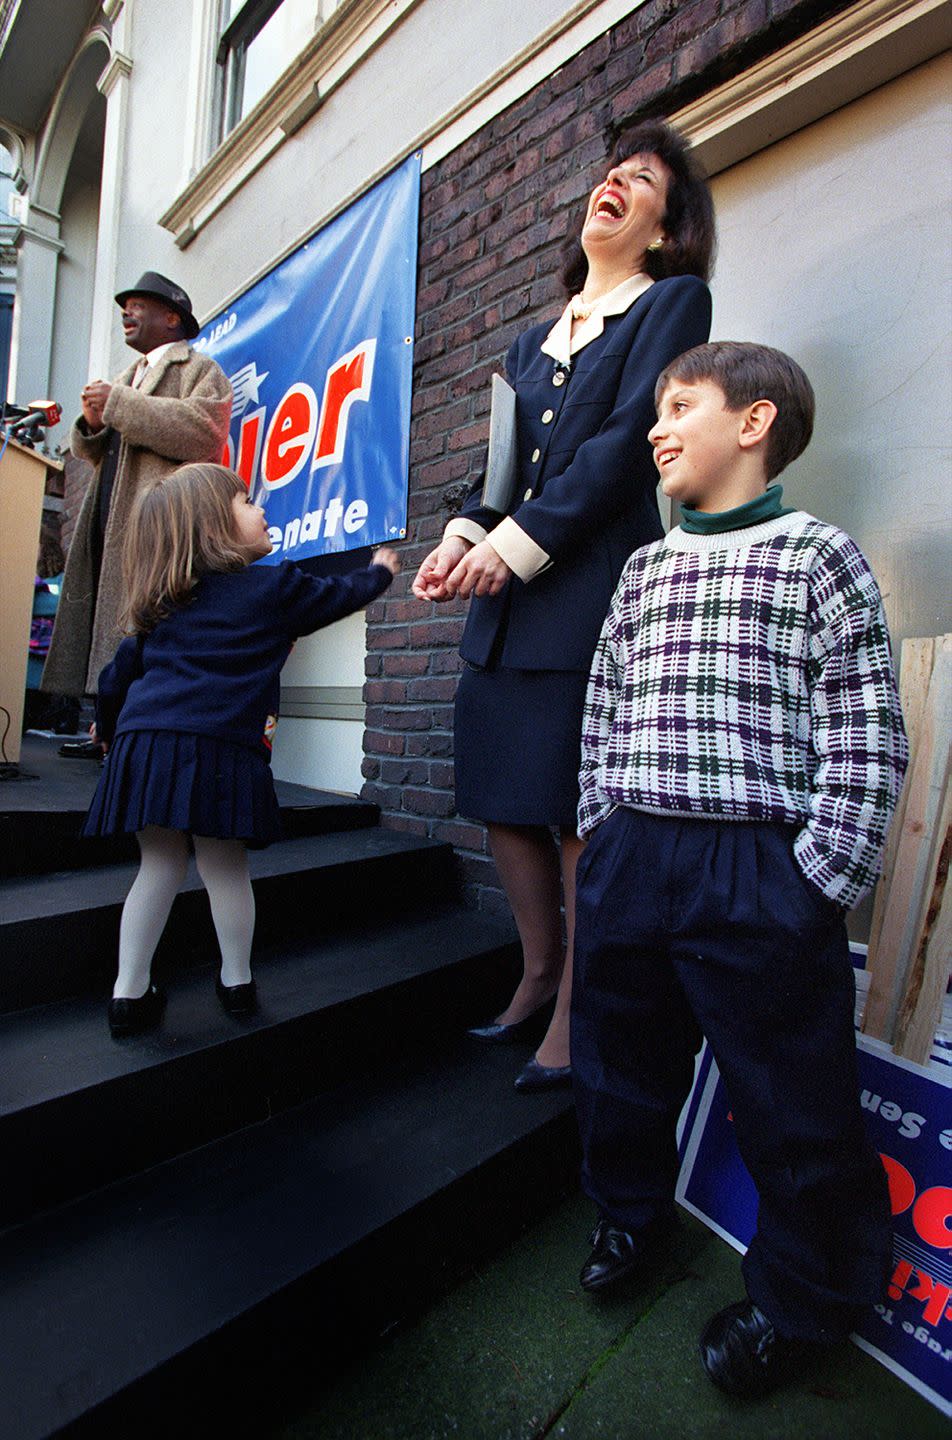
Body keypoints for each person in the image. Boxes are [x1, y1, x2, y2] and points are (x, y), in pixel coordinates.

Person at [572, 342, 907, 1397]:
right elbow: (602, 705)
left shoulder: (818, 555)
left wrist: (816, 878)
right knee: (618, 1068)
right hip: (633, 852)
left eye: (681, 406)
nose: (657, 428)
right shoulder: (643, 568)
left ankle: (803, 1302)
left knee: (793, 1097)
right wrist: (601, 820)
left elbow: (864, 729)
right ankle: (630, 1219)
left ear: (753, 423)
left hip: (756, 864)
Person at [412, 120, 715, 1090]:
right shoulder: (528, 338)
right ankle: (538, 970)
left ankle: (581, 1007)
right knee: (505, 798)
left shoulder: (671, 301)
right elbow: (498, 468)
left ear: (665, 228)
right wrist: (460, 539)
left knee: (579, 814)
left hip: (585, 593)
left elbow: (628, 441)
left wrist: (515, 545)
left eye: (641, 179)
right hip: (503, 600)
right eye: (611, 171)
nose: (613, 184)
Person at [81, 463, 399, 1037]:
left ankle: (127, 994)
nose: (261, 509)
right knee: (224, 865)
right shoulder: (273, 587)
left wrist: (108, 734)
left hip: (146, 744)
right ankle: (236, 983)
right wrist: (377, 572)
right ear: (212, 529)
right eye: (247, 501)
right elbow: (336, 596)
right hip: (222, 747)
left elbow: (114, 680)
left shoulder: (163, 608)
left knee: (158, 865)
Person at [44, 272, 232, 755]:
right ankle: (106, 730)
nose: (126, 313)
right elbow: (101, 453)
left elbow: (203, 431)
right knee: (110, 629)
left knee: (144, 629)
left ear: (172, 318)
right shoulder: (128, 377)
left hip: (155, 521)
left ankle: (133, 735)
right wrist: (90, 425)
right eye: (125, 307)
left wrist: (119, 404)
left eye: (138, 305)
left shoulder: (198, 368)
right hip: (111, 516)